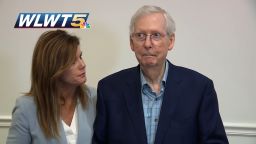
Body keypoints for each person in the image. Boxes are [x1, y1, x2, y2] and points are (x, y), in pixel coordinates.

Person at [93, 5, 229, 144]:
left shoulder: (199, 88)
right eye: (140, 35)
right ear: (131, 43)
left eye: (156, 35)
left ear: (170, 41)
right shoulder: (109, 89)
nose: (147, 44)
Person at [7, 30, 96, 144]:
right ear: (53, 67)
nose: (83, 65)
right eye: (73, 61)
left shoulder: (94, 97)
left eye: (81, 57)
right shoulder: (26, 107)